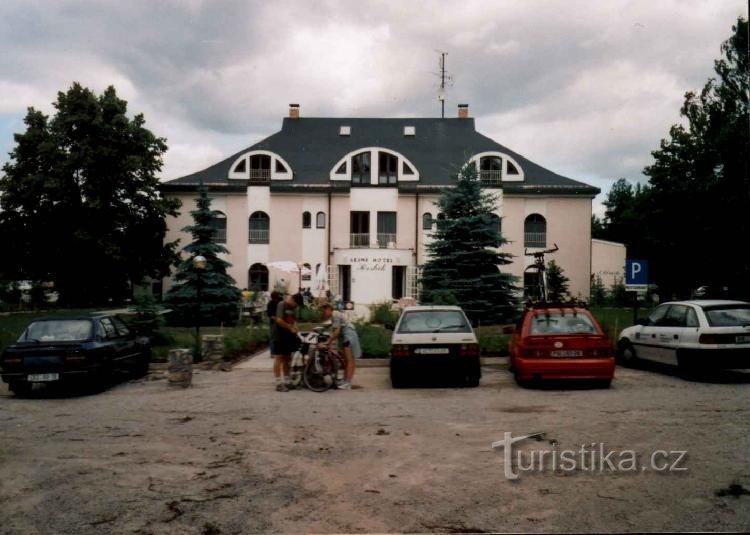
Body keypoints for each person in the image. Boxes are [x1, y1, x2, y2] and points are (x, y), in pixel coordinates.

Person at [320, 303, 361, 390]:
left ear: (329, 309)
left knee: (349, 359)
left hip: (348, 335)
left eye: (325, 310)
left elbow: (337, 331)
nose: (324, 312)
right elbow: (333, 330)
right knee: (346, 360)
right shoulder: (333, 316)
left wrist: (329, 341)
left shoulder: (335, 314)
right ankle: (345, 380)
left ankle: (348, 382)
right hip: (346, 335)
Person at [271, 292, 303, 392]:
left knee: (287, 358)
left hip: (288, 336)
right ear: (292, 299)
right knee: (279, 358)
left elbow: (294, 320)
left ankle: (287, 381)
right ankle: (278, 383)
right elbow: (279, 320)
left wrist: (295, 326)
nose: (296, 307)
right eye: (296, 304)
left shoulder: (293, 309)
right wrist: (290, 327)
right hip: (279, 335)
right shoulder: (282, 305)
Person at [266, 291, 282, 359]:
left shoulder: (273, 303)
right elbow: (271, 315)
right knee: (274, 338)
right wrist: (278, 319)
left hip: (276, 321)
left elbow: (269, 315)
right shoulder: (272, 303)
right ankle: (273, 353)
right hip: (275, 321)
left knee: (275, 337)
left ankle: (275, 352)